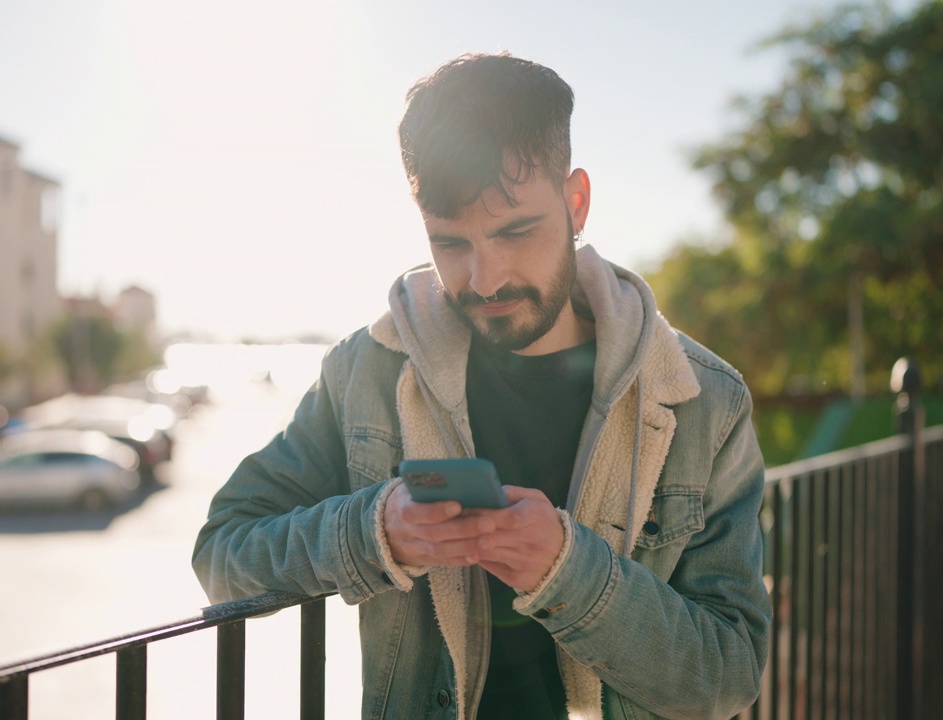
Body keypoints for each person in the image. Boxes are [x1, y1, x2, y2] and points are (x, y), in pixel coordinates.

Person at [193, 52, 771, 720]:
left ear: (576, 202)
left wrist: (568, 573)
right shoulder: (370, 371)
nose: (486, 277)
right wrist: (374, 533)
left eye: (516, 231)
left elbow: (728, 678)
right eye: (450, 244)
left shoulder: (704, 400)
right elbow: (223, 554)